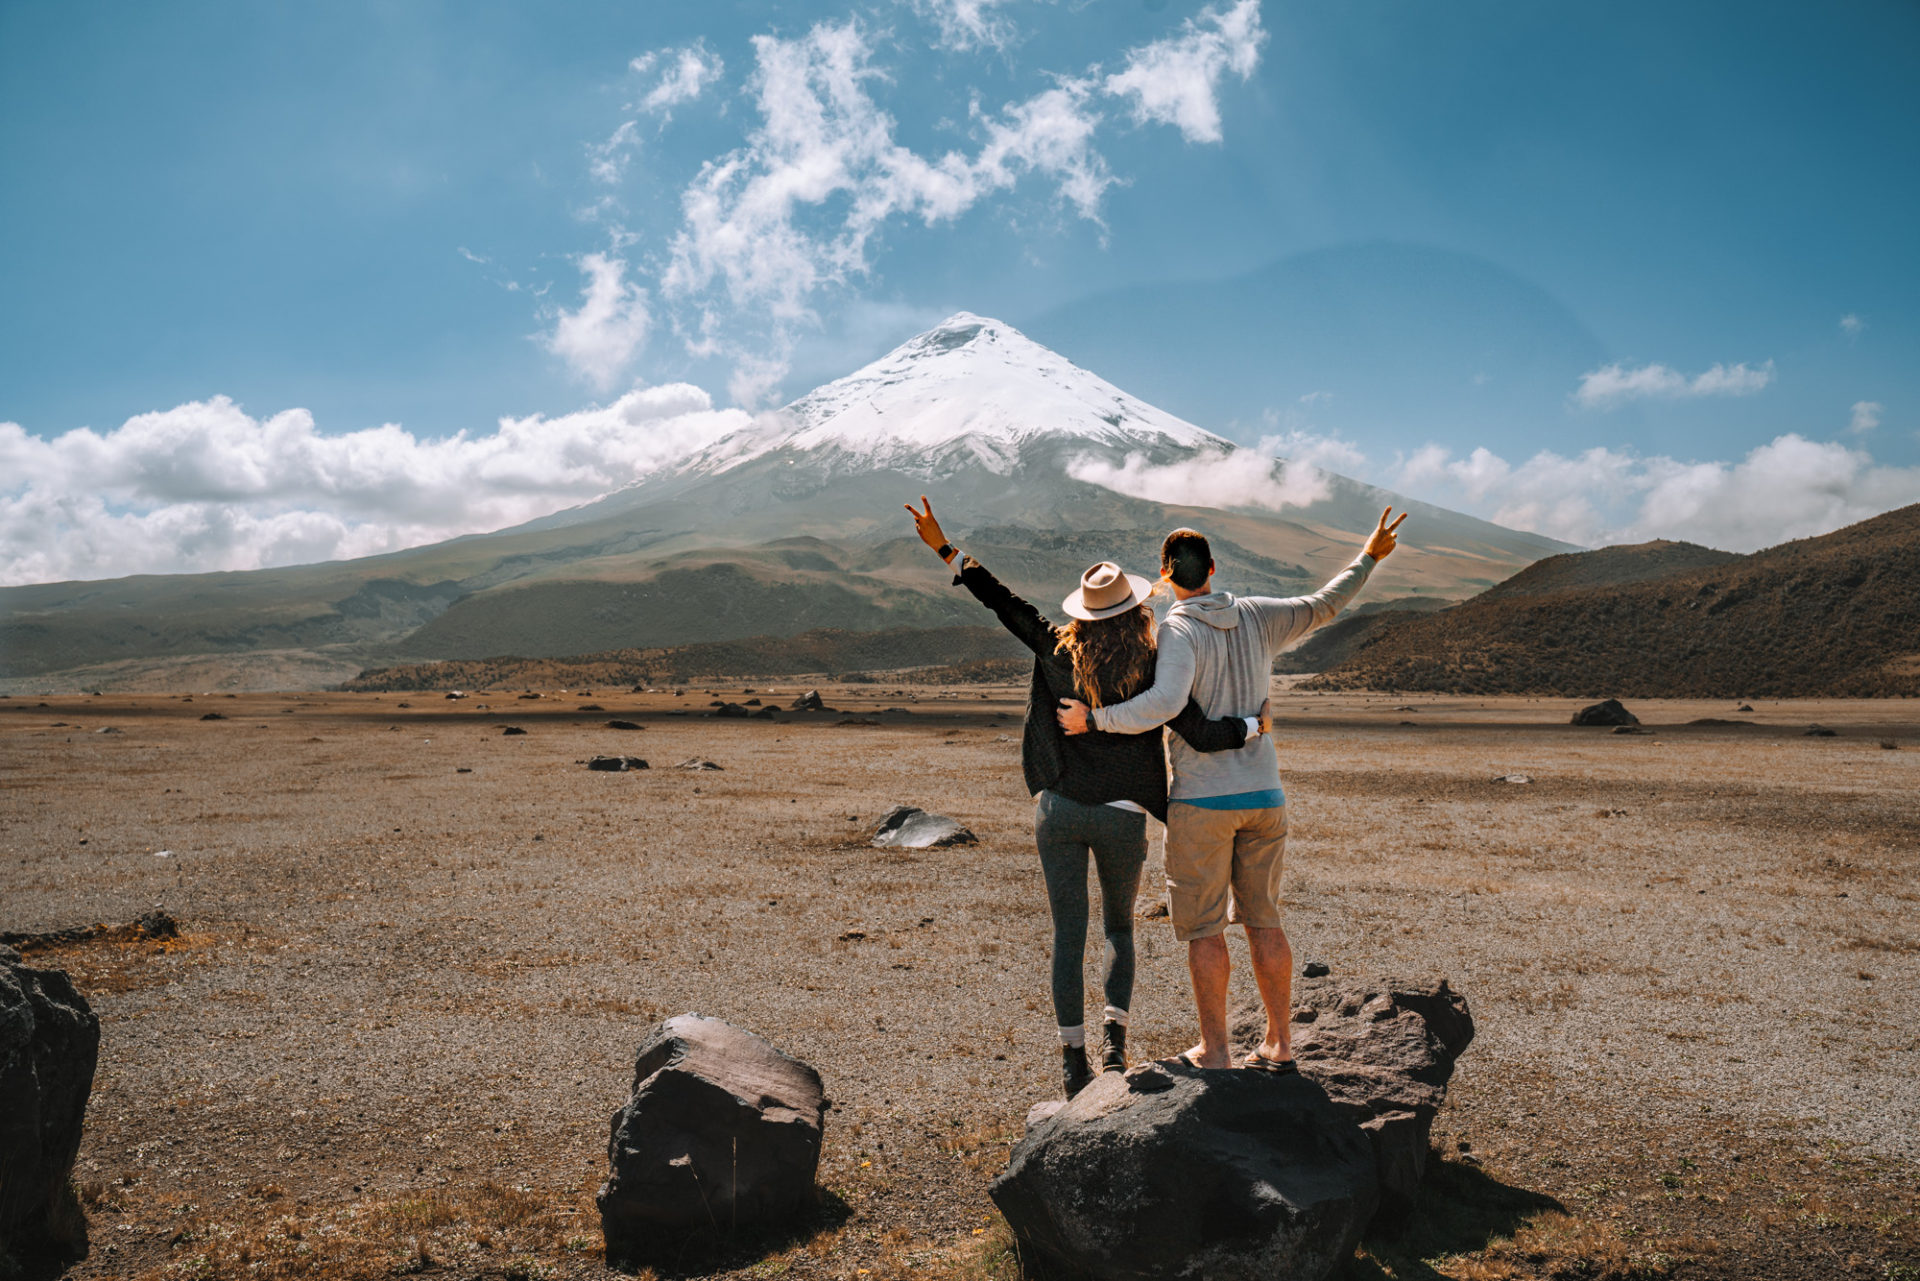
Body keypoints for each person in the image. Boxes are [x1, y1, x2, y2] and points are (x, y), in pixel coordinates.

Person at [904, 496, 1269, 1099]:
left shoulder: (1055, 649)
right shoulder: (1154, 665)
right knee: (1118, 933)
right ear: (1134, 607)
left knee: (1067, 935)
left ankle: (1073, 1061)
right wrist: (1253, 727)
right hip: (1124, 819)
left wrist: (946, 548)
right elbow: (1201, 731)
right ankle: (1115, 1049)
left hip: (1060, 812)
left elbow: (1002, 600)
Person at [1058, 508, 1407, 1072]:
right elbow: (1325, 603)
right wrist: (1369, 556)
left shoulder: (1177, 629)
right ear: (1214, 569)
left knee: (1204, 929)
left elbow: (1165, 705)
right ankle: (1279, 1044)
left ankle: (1216, 1051)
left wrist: (1095, 721)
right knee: (1264, 921)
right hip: (1265, 797)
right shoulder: (1259, 615)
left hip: (1202, 802)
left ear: (1166, 577)